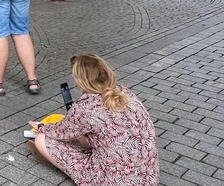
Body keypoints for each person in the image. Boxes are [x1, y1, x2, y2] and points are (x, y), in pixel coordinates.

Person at [30, 54, 159, 186]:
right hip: (148, 178)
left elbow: (60, 132)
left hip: (113, 181)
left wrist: (41, 127)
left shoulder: (86, 106)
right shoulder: (125, 92)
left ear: (81, 80)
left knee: (41, 140)